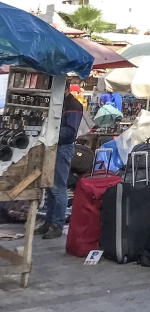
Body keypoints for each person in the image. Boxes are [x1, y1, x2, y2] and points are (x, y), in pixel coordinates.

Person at [37, 82, 84, 239]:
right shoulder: (59, 102)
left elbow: (71, 132)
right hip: (53, 146)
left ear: (64, 88)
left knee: (58, 187)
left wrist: (50, 132)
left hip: (62, 148)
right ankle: (49, 222)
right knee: (50, 186)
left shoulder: (73, 104)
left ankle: (57, 224)